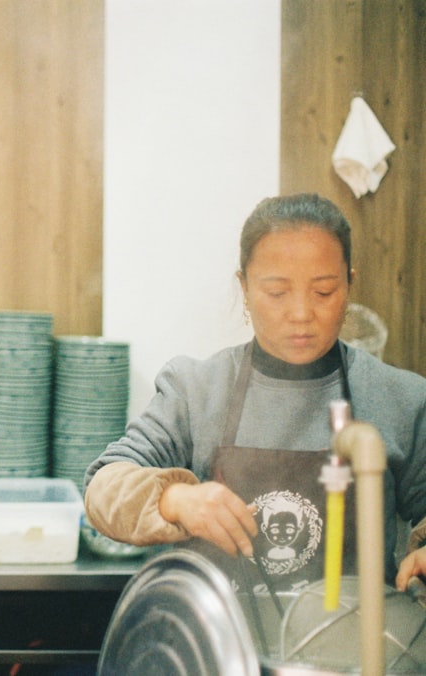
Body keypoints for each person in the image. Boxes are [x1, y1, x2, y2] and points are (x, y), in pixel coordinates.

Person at [84, 192, 426, 593]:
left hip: (352, 644)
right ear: (244, 288)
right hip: (224, 645)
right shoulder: (196, 389)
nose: (300, 313)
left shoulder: (400, 398)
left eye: (323, 291)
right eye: (277, 292)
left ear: (349, 284)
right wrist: (177, 500)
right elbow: (102, 489)